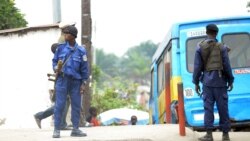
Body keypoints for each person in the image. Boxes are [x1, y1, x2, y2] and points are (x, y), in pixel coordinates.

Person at [192, 24, 234, 141]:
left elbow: (197, 68)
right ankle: (225, 135)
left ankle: (209, 135)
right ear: (217, 33)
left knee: (208, 108)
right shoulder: (222, 47)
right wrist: (230, 80)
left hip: (207, 83)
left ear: (206, 32)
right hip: (220, 83)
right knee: (223, 108)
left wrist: (196, 83)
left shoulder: (200, 47)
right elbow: (227, 66)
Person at [52, 25, 89, 138]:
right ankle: (56, 129)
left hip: (76, 82)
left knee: (76, 106)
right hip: (62, 80)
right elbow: (54, 61)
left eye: (66, 33)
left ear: (72, 36)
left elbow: (84, 68)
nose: (64, 35)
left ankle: (75, 129)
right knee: (60, 105)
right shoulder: (61, 48)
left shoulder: (81, 51)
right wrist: (55, 68)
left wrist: (83, 83)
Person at [34, 43, 70, 130]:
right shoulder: (58, 59)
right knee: (61, 104)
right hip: (60, 83)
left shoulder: (62, 57)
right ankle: (40, 116)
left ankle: (62, 123)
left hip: (64, 83)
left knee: (66, 101)